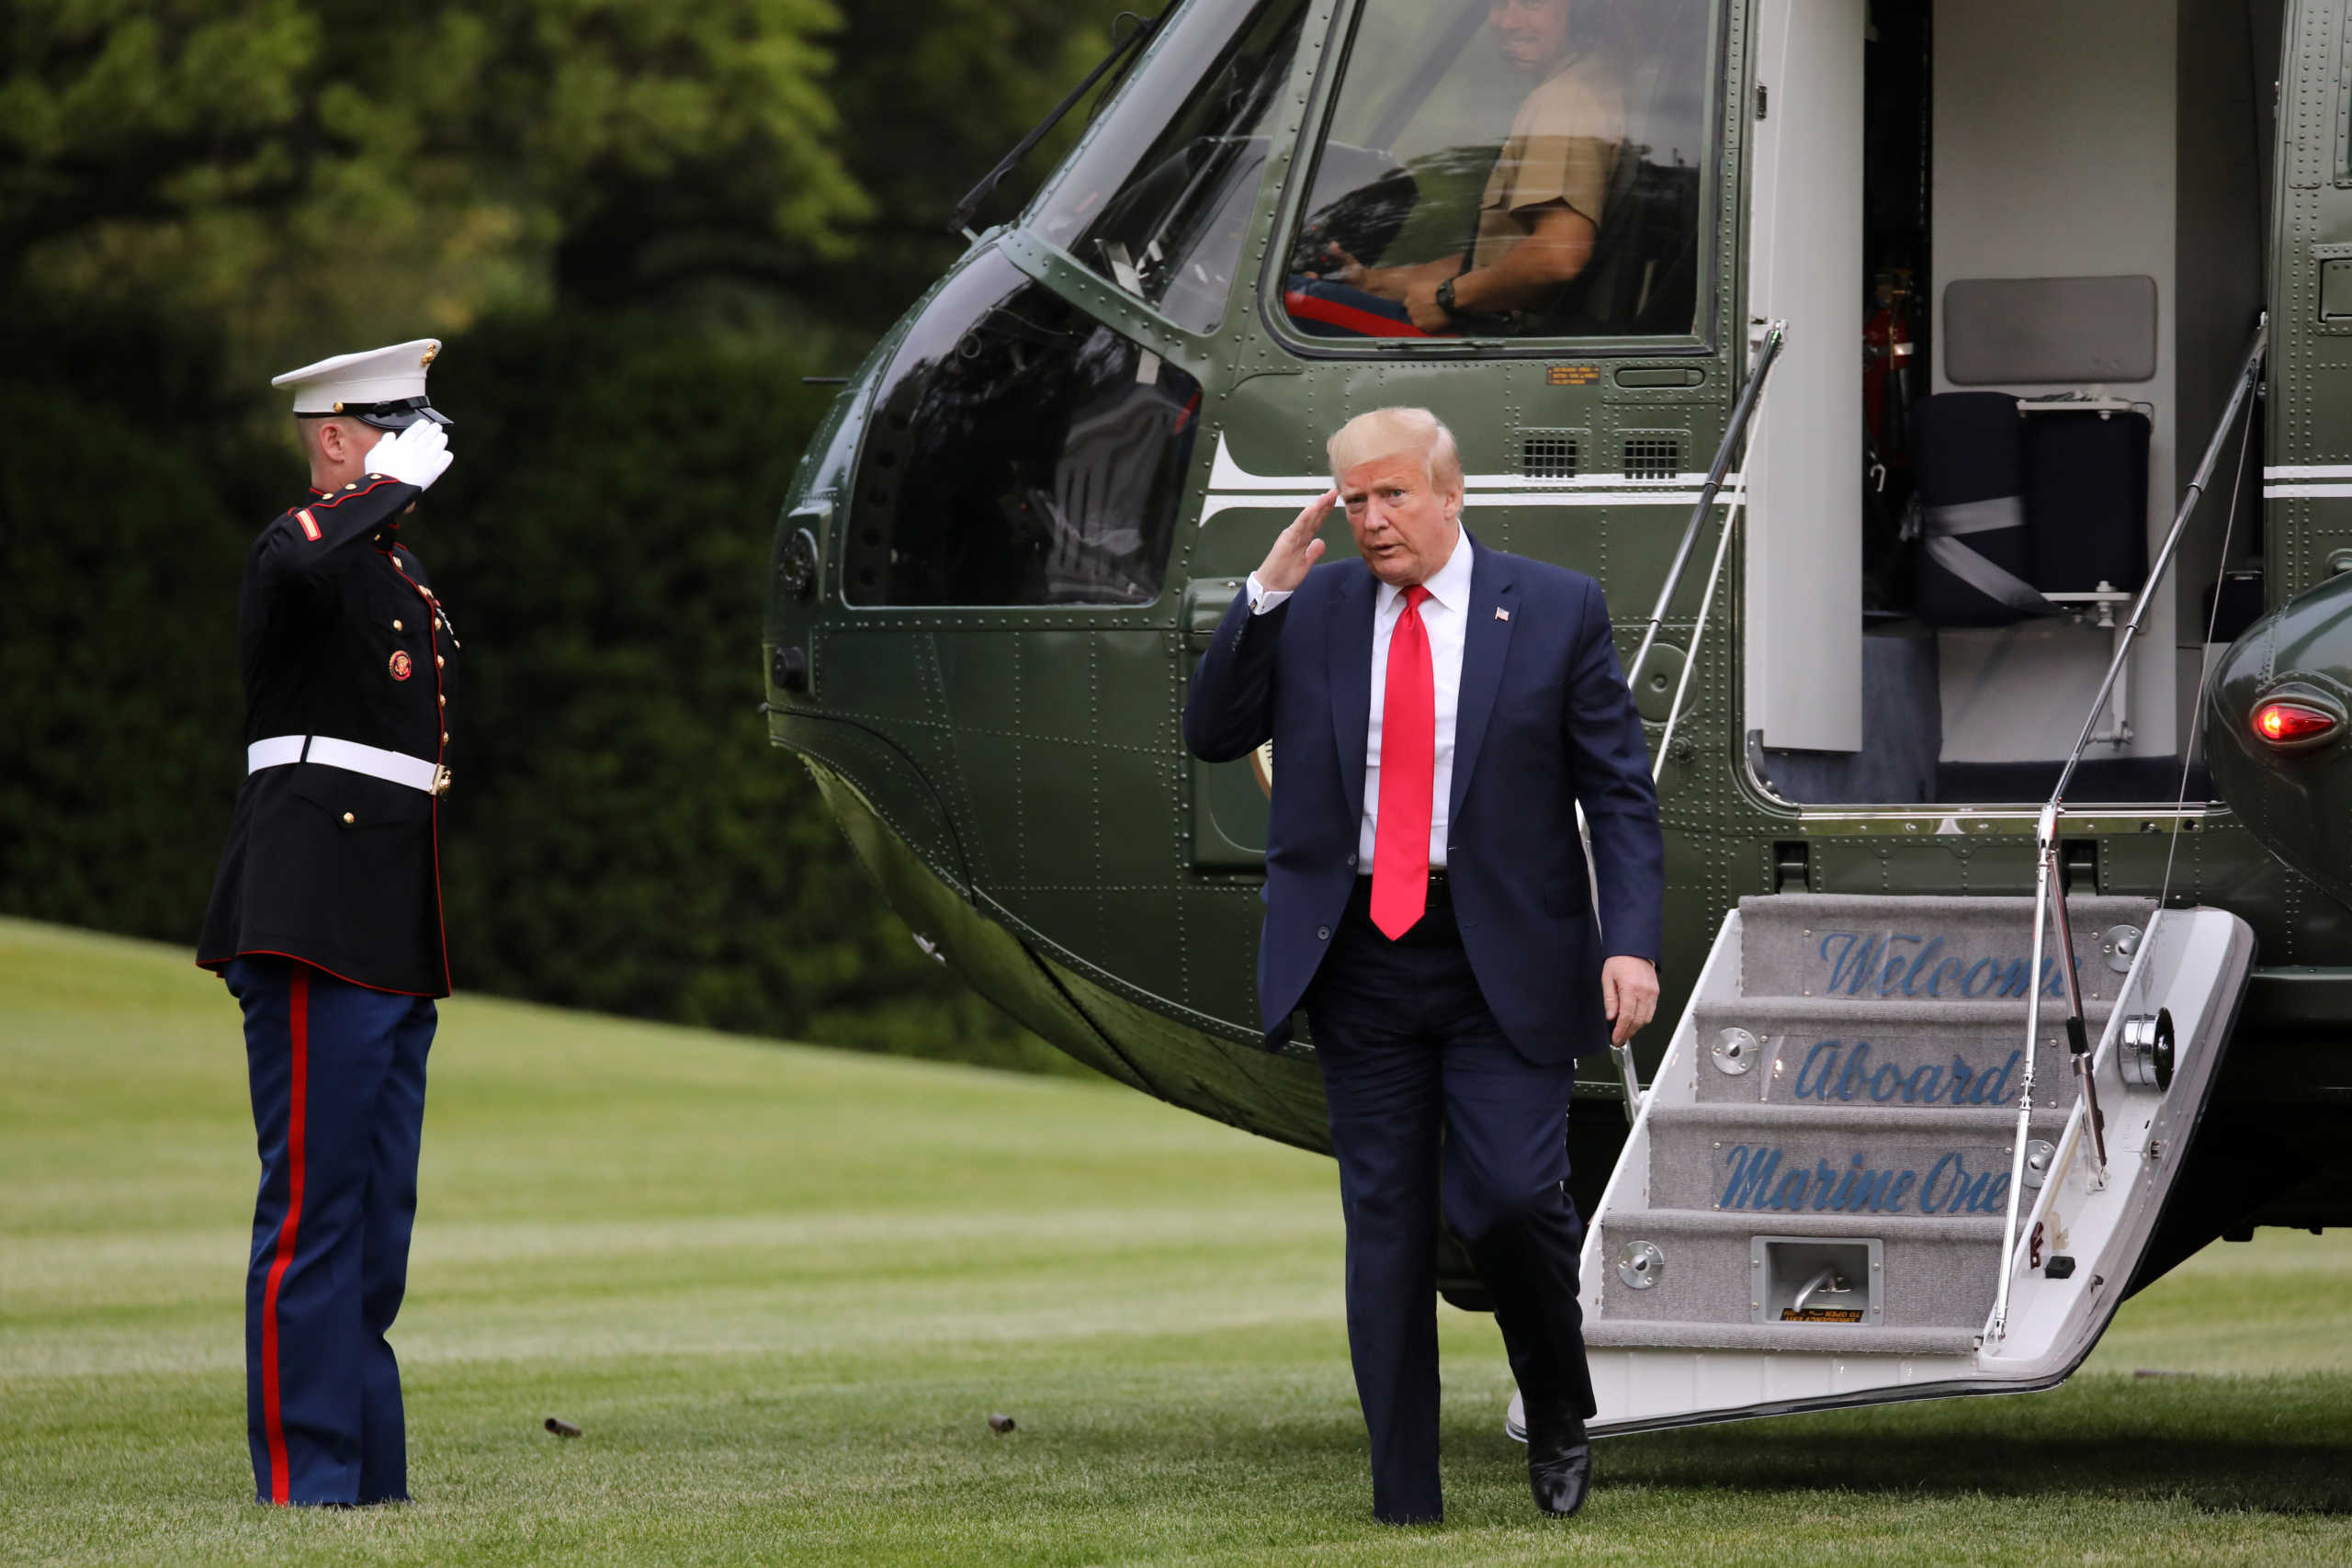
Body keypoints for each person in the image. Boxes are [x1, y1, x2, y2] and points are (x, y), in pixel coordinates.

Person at [1182, 407, 1662, 1524]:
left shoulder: (1554, 608)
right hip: (1356, 955)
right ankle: (1405, 1500)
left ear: (1452, 494)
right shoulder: (1313, 607)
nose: (1371, 519)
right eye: (1353, 500)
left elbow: (1619, 795)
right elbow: (1212, 731)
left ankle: (1555, 1403)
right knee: (1386, 1224)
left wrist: (1629, 939)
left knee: (1503, 1198)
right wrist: (1262, 592)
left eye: (1392, 494)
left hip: (1506, 956)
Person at [195, 340, 458, 1506]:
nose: (420, 445)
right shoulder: (307, 550)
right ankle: (309, 1478)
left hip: (388, 916)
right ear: (340, 437)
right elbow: (292, 564)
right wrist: (383, 489)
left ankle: (369, 1472)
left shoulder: (390, 573)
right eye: (394, 426)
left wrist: (385, 506)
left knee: (376, 1213)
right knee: (311, 1207)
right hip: (309, 905)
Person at [1294, 0, 1622, 335]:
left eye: (1530, 4)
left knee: (1290, 298)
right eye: (1497, 6)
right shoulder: (1583, 84)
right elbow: (1489, 263)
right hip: (1508, 335)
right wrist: (1371, 282)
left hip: (1503, 343)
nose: (1508, 22)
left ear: (1581, 11)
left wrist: (1447, 299)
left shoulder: (1562, 102)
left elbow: (1556, 256)